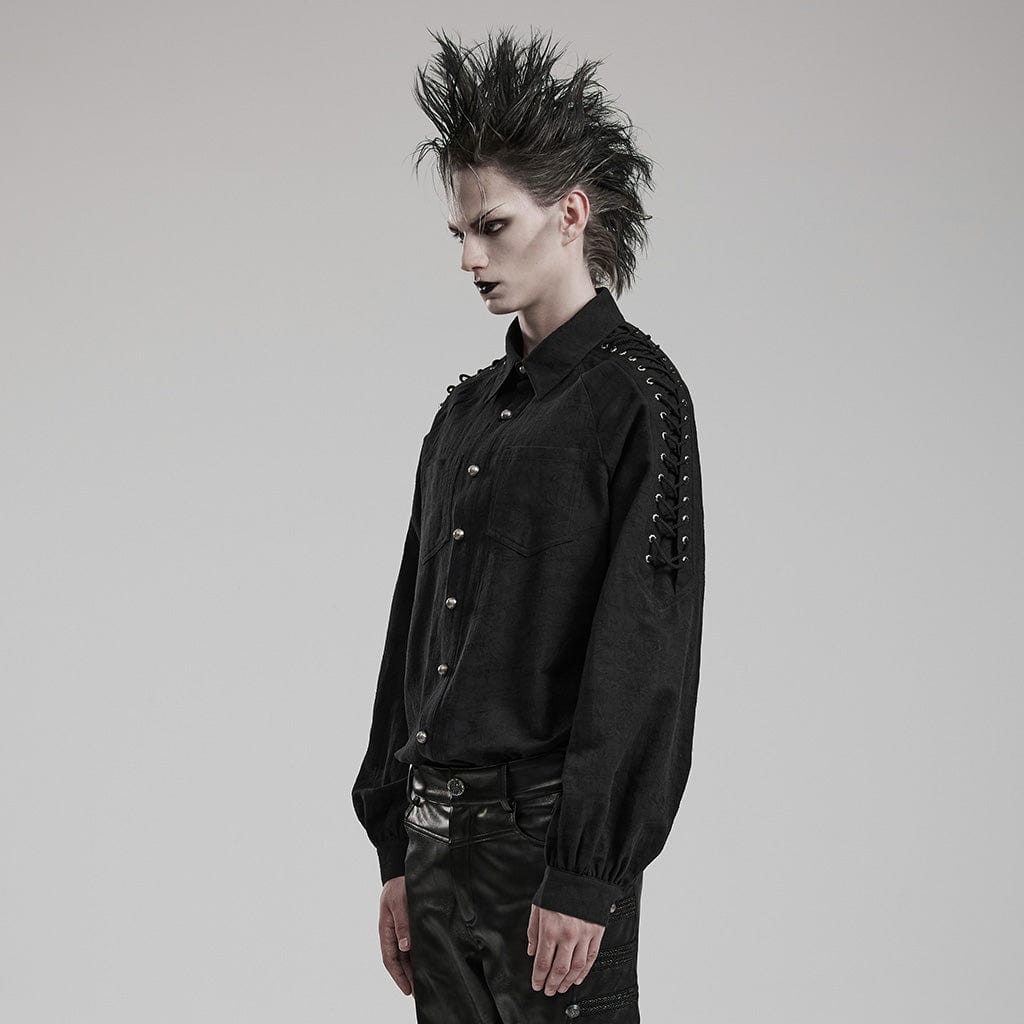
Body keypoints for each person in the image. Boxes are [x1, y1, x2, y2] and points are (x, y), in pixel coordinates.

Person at [352, 26, 706, 1023]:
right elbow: (412, 632)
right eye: (457, 233)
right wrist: (394, 850)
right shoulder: (463, 414)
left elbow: (644, 648)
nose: (470, 257)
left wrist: (586, 874)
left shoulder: (636, 399)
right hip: (433, 844)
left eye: (493, 226)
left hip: (545, 846)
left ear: (571, 215)